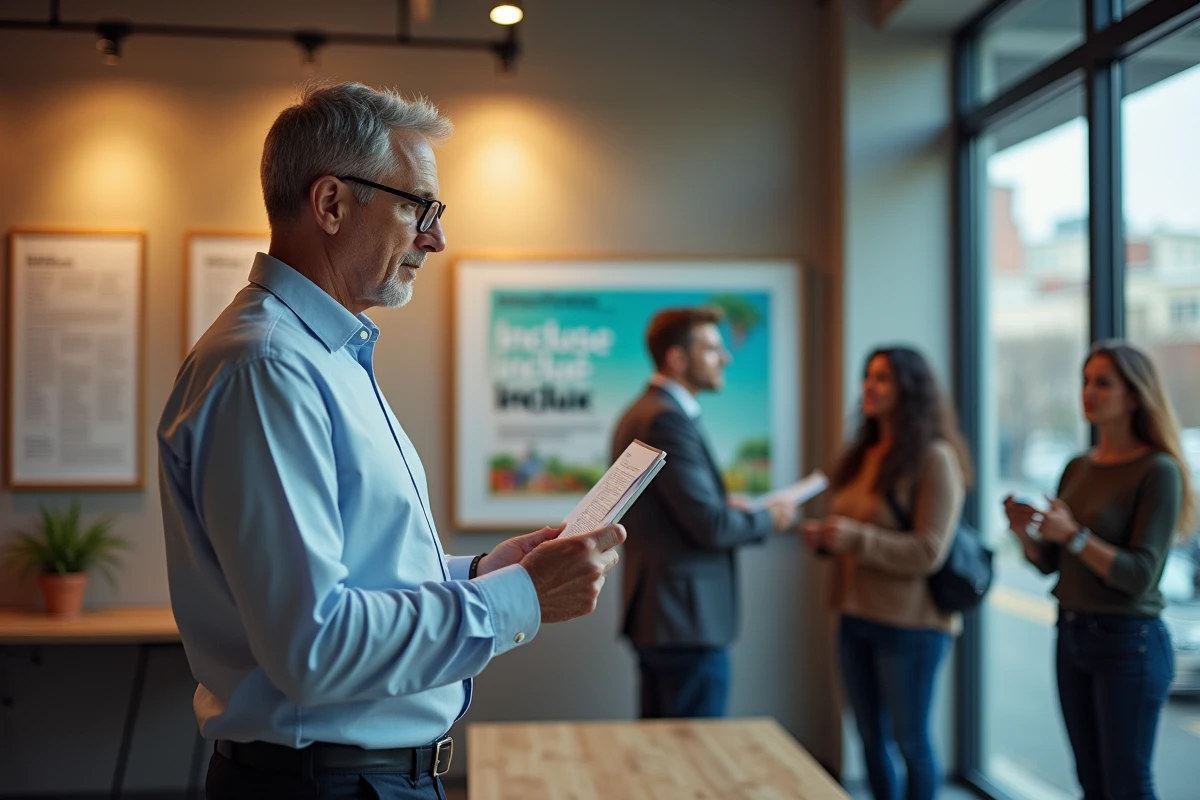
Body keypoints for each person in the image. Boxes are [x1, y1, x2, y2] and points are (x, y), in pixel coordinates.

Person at [157, 82, 626, 800]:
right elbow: (315, 646)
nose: (435, 238)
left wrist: (479, 574)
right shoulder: (268, 368)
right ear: (333, 204)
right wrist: (520, 599)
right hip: (329, 786)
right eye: (419, 208)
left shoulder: (321, 356)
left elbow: (354, 569)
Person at [1004, 340, 1193, 800]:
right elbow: (1052, 566)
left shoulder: (1159, 470)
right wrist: (1025, 533)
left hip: (1128, 642)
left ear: (1134, 396)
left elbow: (1139, 575)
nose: (1089, 392)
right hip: (1071, 634)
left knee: (1125, 785)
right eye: (1085, 381)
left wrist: (1073, 535)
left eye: (1103, 383)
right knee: (1090, 782)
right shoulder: (1076, 467)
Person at [611, 307, 799, 719]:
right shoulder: (665, 419)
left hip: (667, 615)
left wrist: (721, 506)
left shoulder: (644, 411)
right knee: (692, 760)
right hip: (684, 619)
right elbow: (709, 527)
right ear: (677, 359)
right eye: (713, 348)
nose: (726, 358)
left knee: (666, 752)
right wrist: (771, 518)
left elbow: (677, 511)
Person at [801, 346, 969, 800]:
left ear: (910, 390)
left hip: (910, 625)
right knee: (869, 738)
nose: (870, 388)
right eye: (868, 377)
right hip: (854, 615)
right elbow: (857, 531)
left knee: (910, 741)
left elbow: (929, 551)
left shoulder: (935, 458)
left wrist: (853, 537)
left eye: (883, 379)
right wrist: (827, 540)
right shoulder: (864, 453)